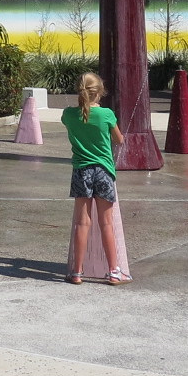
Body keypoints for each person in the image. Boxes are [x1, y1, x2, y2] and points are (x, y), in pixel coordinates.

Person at [61, 72, 130, 286]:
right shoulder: (107, 114)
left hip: (81, 170)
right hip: (103, 170)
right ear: (99, 92)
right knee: (106, 222)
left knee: (82, 223)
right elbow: (119, 139)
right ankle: (114, 271)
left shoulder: (69, 115)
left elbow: (76, 119)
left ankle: (77, 272)